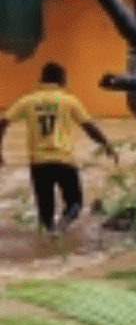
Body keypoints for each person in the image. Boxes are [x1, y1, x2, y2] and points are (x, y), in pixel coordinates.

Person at [0, 61, 118, 234]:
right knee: (75, 204)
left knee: (45, 214)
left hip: (38, 164)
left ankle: (46, 245)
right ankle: (61, 227)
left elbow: (3, 122)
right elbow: (89, 128)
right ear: (63, 80)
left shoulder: (28, 101)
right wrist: (107, 146)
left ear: (41, 79)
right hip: (64, 161)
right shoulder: (69, 101)